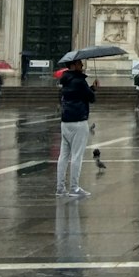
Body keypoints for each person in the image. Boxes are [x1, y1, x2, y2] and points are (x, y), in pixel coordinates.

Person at [56, 57, 96, 198]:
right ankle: (74, 187)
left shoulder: (65, 80)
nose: (82, 65)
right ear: (73, 65)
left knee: (63, 155)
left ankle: (60, 188)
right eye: (79, 63)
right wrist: (93, 90)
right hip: (78, 120)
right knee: (77, 155)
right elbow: (91, 98)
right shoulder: (79, 81)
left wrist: (89, 89)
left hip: (65, 120)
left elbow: (76, 94)